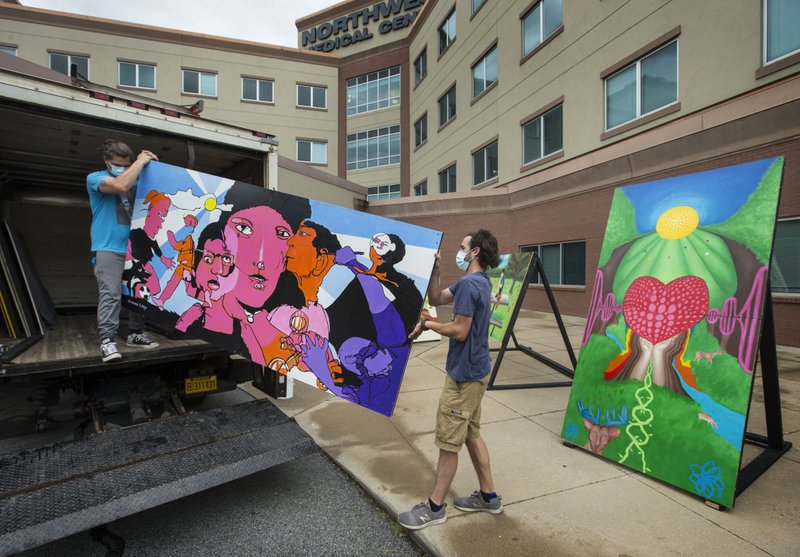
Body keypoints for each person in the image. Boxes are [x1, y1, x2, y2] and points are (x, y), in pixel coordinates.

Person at [398, 229, 502, 530]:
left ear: (476, 251)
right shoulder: (477, 282)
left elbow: (460, 330)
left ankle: (434, 507)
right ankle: (489, 497)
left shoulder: (471, 285)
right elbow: (436, 297)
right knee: (470, 433)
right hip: (476, 370)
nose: (460, 251)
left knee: (448, 442)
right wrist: (436, 272)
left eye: (462, 247)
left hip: (464, 376)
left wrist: (428, 323)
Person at [87, 138, 160, 363]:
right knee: (111, 293)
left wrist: (153, 167)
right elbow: (120, 186)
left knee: (138, 292)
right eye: (117, 164)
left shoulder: (134, 177)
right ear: (106, 161)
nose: (122, 168)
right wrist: (140, 162)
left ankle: (136, 333)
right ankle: (107, 341)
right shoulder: (96, 178)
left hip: (134, 247)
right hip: (108, 247)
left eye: (126, 164)